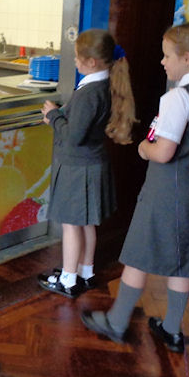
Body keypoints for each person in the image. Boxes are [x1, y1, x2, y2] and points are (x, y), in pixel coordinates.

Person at [81, 22, 189, 353]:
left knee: (138, 254)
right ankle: (172, 330)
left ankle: (117, 321)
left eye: (167, 56)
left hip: (168, 192)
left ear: (187, 58)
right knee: (183, 260)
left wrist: (142, 149)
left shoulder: (178, 97)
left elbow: (163, 151)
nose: (163, 62)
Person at [37, 29, 136, 299]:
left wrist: (54, 115)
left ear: (91, 62)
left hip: (77, 168)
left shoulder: (89, 93)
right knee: (87, 224)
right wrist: (60, 117)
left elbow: (73, 137)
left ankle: (69, 280)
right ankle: (86, 271)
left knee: (71, 225)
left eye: (77, 57)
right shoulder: (104, 86)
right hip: (92, 164)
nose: (75, 62)